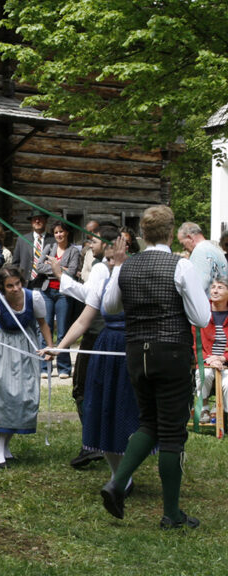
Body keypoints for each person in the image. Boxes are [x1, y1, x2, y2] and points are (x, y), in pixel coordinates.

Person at [101, 205, 210, 529]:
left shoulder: (127, 267)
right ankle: (171, 514)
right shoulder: (181, 266)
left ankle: (116, 483)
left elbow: (110, 306)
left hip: (136, 353)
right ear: (170, 231)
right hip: (171, 354)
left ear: (143, 234)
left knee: (149, 422)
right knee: (172, 434)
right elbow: (202, 318)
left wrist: (119, 268)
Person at [45, 232, 138, 497]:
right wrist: (58, 348)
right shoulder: (102, 276)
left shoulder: (135, 276)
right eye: (108, 258)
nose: (110, 262)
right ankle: (116, 474)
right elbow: (83, 320)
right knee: (101, 406)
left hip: (131, 348)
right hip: (105, 346)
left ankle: (126, 472)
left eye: (114, 257)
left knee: (127, 409)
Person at [0, 266, 51, 467]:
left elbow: (42, 323)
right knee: (5, 396)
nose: (15, 288)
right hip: (3, 349)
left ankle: (5, 448)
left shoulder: (34, 298)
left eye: (17, 283)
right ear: (2, 288)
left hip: (26, 347)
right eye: (9, 286)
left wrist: (50, 347)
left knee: (24, 395)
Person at [36, 221, 81, 378]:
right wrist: (61, 269)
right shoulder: (49, 248)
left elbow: (73, 272)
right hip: (47, 291)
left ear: (67, 232)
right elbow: (39, 267)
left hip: (64, 293)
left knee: (62, 331)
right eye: (56, 232)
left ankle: (63, 368)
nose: (59, 235)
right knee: (45, 328)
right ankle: (44, 367)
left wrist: (55, 267)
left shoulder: (73, 251)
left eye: (61, 232)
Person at [193, 278, 228, 424]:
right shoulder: (202, 313)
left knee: (227, 383)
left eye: (220, 287)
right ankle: (204, 408)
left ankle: (223, 415)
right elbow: (195, 343)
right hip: (205, 361)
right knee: (204, 373)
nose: (214, 290)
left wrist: (222, 358)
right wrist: (209, 359)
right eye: (213, 287)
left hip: (225, 363)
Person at [178, 221, 228, 292]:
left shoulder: (199, 252)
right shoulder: (216, 250)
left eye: (183, 244)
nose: (183, 248)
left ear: (190, 238)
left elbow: (198, 288)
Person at [11, 208, 54, 288]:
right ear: (31, 222)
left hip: (46, 284)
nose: (37, 221)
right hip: (25, 283)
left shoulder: (53, 240)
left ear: (46, 220)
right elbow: (15, 263)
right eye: (34, 219)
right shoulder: (22, 239)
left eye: (40, 218)